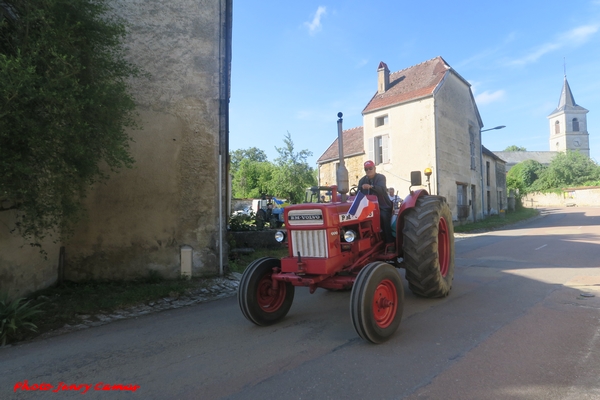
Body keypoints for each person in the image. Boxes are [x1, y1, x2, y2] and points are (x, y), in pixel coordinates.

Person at [358, 160, 395, 251]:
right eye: (366, 169)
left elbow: (382, 190)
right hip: (367, 207)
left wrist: (371, 187)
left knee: (383, 216)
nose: (368, 170)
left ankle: (390, 242)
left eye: (370, 168)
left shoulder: (381, 177)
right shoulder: (362, 181)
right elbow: (358, 193)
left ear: (374, 168)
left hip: (382, 206)